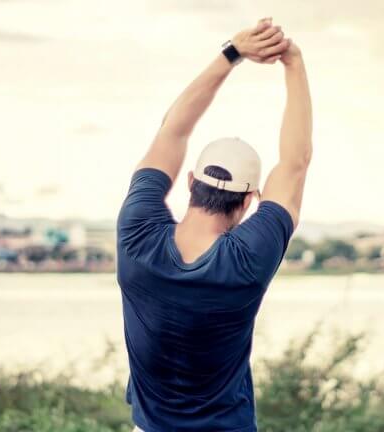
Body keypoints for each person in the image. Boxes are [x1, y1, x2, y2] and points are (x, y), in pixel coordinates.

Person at [116, 17, 312, 432]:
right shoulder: (246, 262)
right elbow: (294, 165)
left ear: (190, 182)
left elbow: (174, 128)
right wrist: (292, 62)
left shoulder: (136, 234)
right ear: (247, 201)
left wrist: (232, 53)